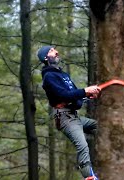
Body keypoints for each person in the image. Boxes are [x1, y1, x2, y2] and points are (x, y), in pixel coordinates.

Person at [37, 46, 100, 180]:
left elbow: (73, 94)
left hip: (74, 116)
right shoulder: (49, 76)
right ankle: (89, 177)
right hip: (65, 118)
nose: (56, 52)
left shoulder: (63, 75)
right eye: (51, 51)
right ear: (46, 58)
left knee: (99, 127)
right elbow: (63, 95)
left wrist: (87, 95)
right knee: (82, 145)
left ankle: (99, 163)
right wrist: (85, 91)